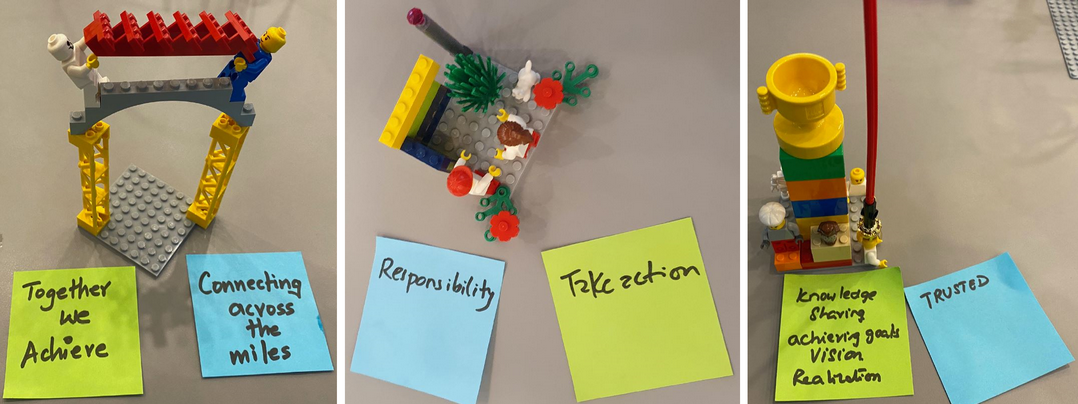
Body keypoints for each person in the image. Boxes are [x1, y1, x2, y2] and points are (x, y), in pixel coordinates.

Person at [219, 27, 287, 102]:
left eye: (267, 38)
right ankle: (219, 85)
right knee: (229, 69)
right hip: (237, 65)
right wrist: (239, 57)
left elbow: (256, 67)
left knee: (236, 84)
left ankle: (236, 99)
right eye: (265, 34)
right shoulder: (255, 42)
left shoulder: (265, 58)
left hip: (245, 74)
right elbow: (244, 50)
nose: (264, 37)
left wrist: (245, 67)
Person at [47, 33, 108, 108]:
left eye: (68, 42)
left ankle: (103, 87)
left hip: (92, 72)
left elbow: (82, 43)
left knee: (97, 78)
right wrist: (88, 65)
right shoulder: (68, 67)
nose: (69, 45)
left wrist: (90, 35)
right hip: (87, 82)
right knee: (92, 91)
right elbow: (80, 72)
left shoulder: (75, 47)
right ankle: (95, 105)